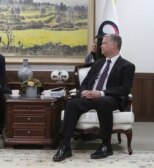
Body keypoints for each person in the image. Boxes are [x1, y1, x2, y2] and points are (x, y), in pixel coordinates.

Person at [53, 34, 135, 162]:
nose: (100, 45)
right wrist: (83, 92)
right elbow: (85, 82)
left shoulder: (127, 66)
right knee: (72, 103)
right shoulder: (98, 63)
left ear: (113, 46)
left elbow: (124, 89)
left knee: (103, 102)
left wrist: (101, 93)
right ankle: (65, 145)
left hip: (110, 98)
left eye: (104, 43)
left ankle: (105, 145)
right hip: (91, 97)